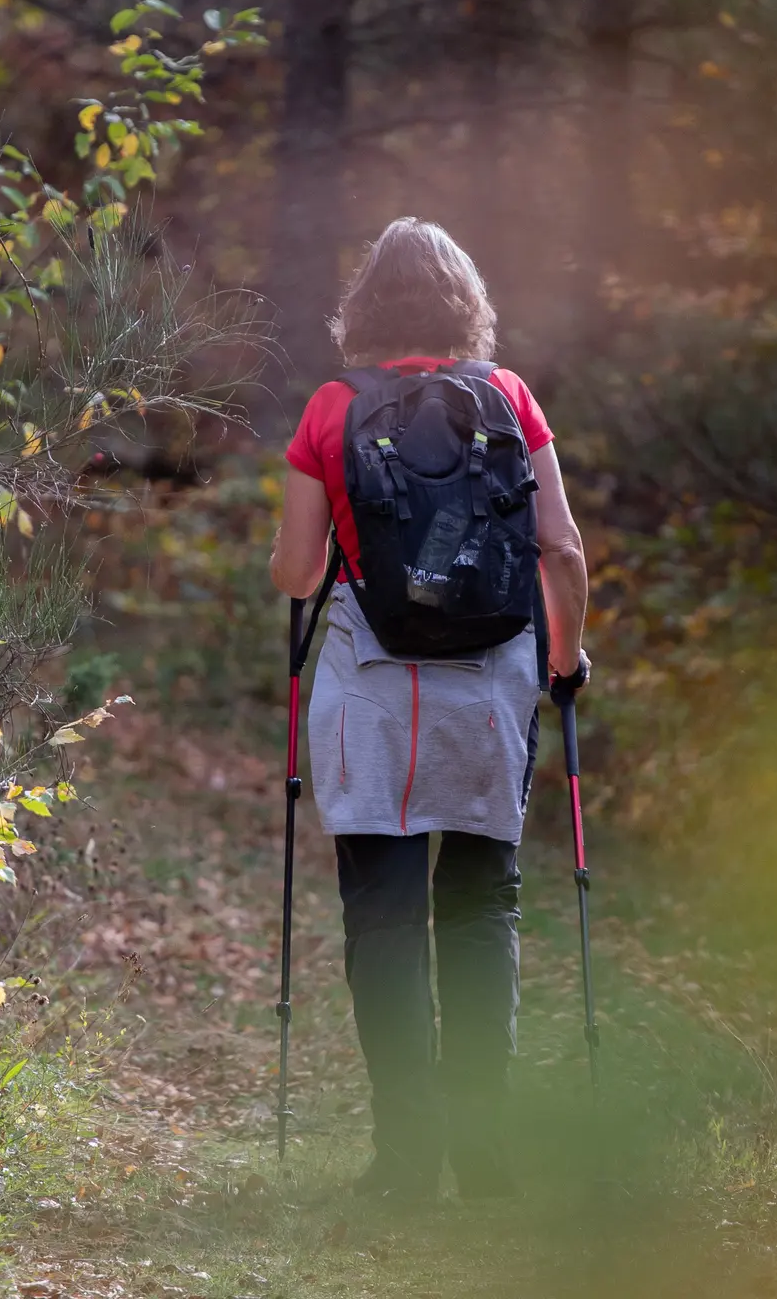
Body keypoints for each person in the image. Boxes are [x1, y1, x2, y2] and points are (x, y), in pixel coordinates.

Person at [269, 217, 591, 1201]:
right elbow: (563, 553)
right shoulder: (509, 397)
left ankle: (404, 1160)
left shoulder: (331, 408)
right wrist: (566, 662)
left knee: (385, 919)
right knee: (480, 907)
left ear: (365, 305)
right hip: (489, 690)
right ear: (466, 306)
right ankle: (485, 1153)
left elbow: (296, 570)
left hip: (373, 693)